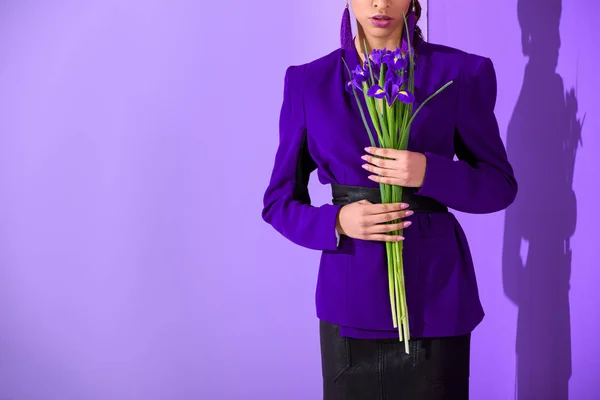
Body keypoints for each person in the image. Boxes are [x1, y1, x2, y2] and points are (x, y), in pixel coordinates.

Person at [261, 0, 518, 398]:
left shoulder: (462, 73)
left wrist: (429, 172)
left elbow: (499, 185)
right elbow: (278, 203)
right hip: (349, 295)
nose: (381, 3)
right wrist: (337, 222)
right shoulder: (309, 82)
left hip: (435, 295)